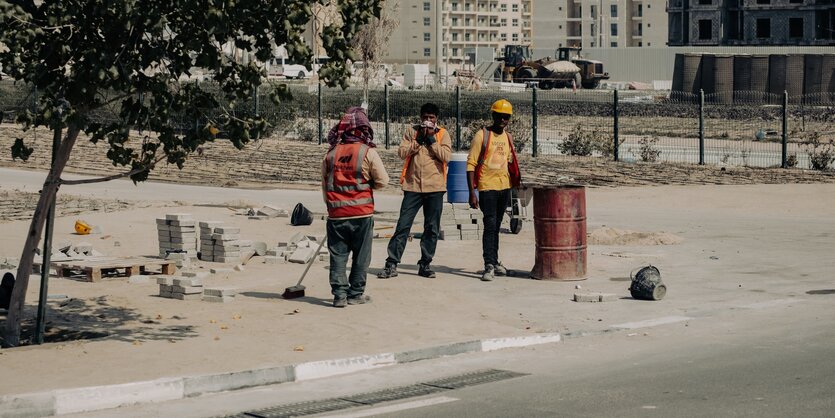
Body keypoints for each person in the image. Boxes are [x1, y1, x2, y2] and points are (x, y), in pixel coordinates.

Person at [322, 106, 390, 307]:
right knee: (361, 256)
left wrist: (333, 207)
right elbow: (383, 181)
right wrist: (368, 185)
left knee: (338, 256)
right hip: (362, 214)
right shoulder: (367, 152)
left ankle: (339, 295)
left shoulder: (331, 153)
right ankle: (355, 293)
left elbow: (325, 186)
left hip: (336, 215)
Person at [378, 103, 452, 279]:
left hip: (435, 187)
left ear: (436, 119)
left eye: (431, 118)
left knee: (432, 227)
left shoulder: (443, 134)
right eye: (425, 117)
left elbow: (446, 157)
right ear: (421, 118)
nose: (428, 121)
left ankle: (425, 264)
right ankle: (392, 263)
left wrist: (432, 140)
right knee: (403, 225)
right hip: (413, 186)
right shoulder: (412, 132)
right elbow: (402, 152)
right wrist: (418, 141)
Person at [466, 99, 522, 282]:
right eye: (499, 116)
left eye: (506, 117)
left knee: (496, 227)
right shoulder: (482, 136)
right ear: (493, 116)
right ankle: (488, 264)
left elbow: (509, 162)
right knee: (489, 226)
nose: (502, 120)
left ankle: (495, 261)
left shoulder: (508, 137)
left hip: (503, 188)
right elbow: (471, 165)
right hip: (487, 188)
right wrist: (471, 193)